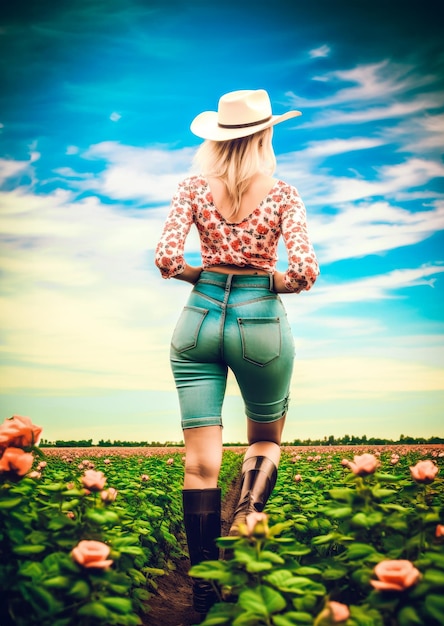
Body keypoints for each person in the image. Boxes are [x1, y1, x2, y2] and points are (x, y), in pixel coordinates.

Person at [155, 89, 319, 614]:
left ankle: (203, 587)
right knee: (265, 437)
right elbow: (305, 272)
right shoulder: (284, 194)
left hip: (198, 318)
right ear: (265, 134)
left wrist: (201, 275)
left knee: (200, 464)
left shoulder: (190, 189)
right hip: (260, 319)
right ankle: (249, 516)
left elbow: (164, 257)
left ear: (218, 139)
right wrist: (273, 282)